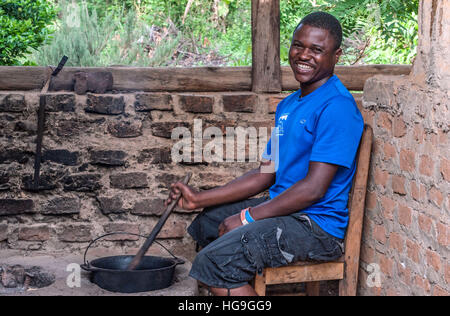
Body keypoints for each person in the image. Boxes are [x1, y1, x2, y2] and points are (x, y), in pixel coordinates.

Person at [167, 11, 364, 296]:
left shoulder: (337, 106)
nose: (304, 55)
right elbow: (266, 173)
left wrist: (248, 217)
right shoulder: (289, 104)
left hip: (316, 226)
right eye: (298, 45)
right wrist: (199, 197)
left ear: (336, 55)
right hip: (285, 208)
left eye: (317, 50)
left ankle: (226, 277)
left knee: (212, 264)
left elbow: (313, 189)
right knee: (208, 223)